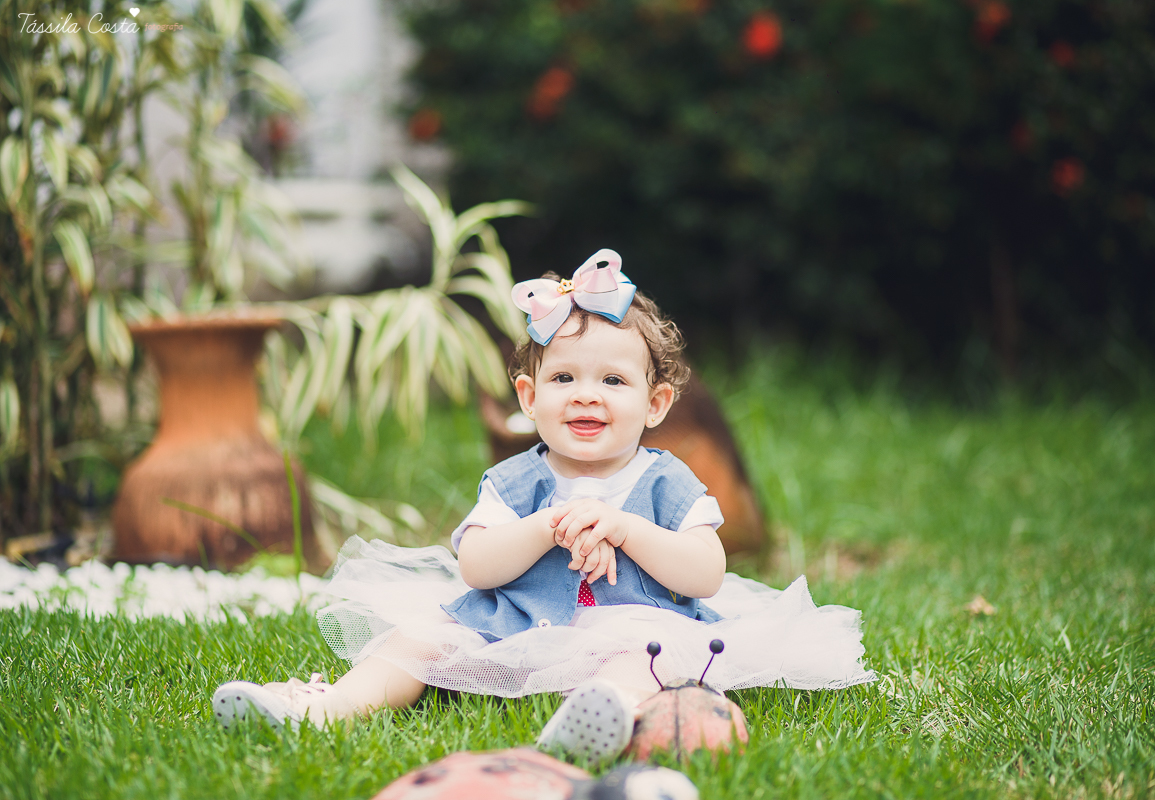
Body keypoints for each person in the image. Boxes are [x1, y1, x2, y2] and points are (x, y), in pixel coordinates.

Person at [212, 250, 875, 760]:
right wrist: (545, 526)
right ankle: (327, 708)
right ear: (529, 399)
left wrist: (625, 527)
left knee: (643, 660)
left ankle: (599, 714)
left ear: (656, 404)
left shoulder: (667, 481)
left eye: (612, 380)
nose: (585, 395)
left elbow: (705, 572)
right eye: (564, 378)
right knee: (414, 641)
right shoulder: (514, 482)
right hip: (515, 626)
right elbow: (476, 565)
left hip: (635, 625)